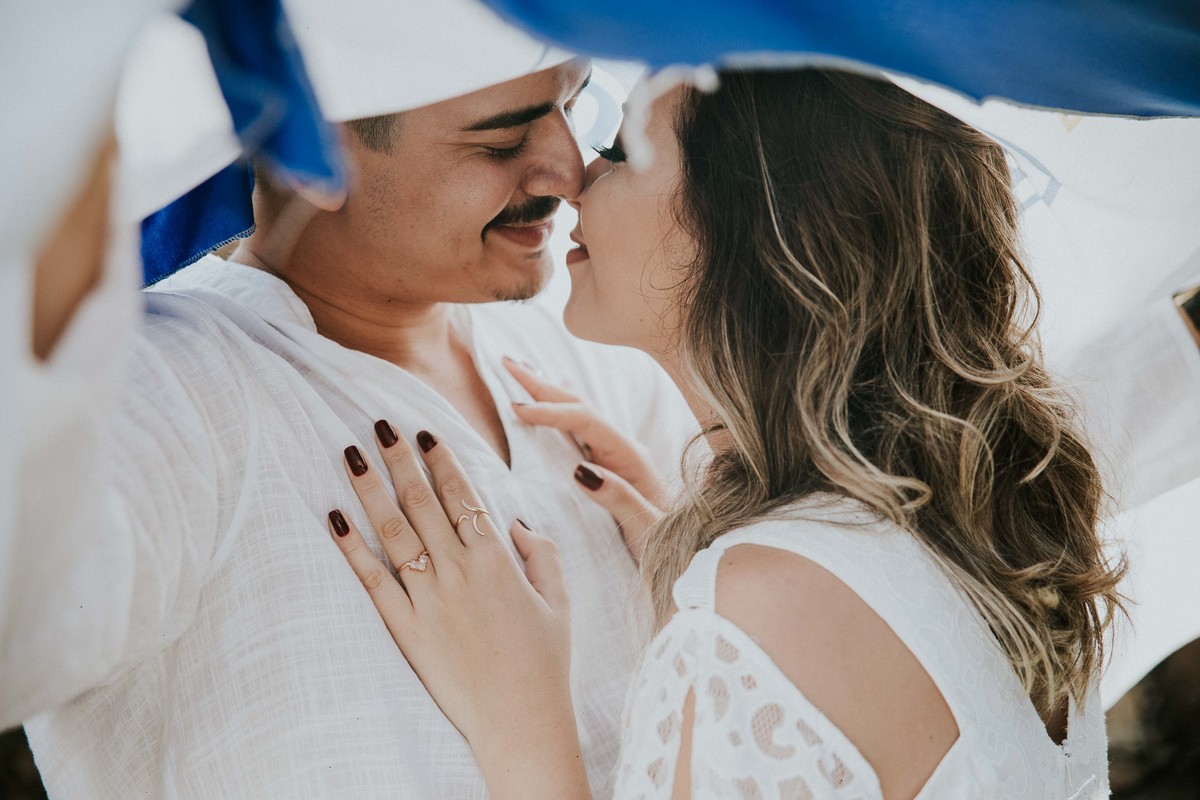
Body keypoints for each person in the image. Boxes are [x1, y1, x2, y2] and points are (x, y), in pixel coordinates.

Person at [325, 67, 1188, 799]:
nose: (573, 177)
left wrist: (522, 726)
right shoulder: (975, 524)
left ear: (746, 233)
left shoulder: (762, 610)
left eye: (623, 150)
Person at [5, 49, 701, 797]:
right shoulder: (161, 391)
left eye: (573, 104)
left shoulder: (592, 328)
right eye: (500, 143)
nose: (570, 172)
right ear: (309, 159)